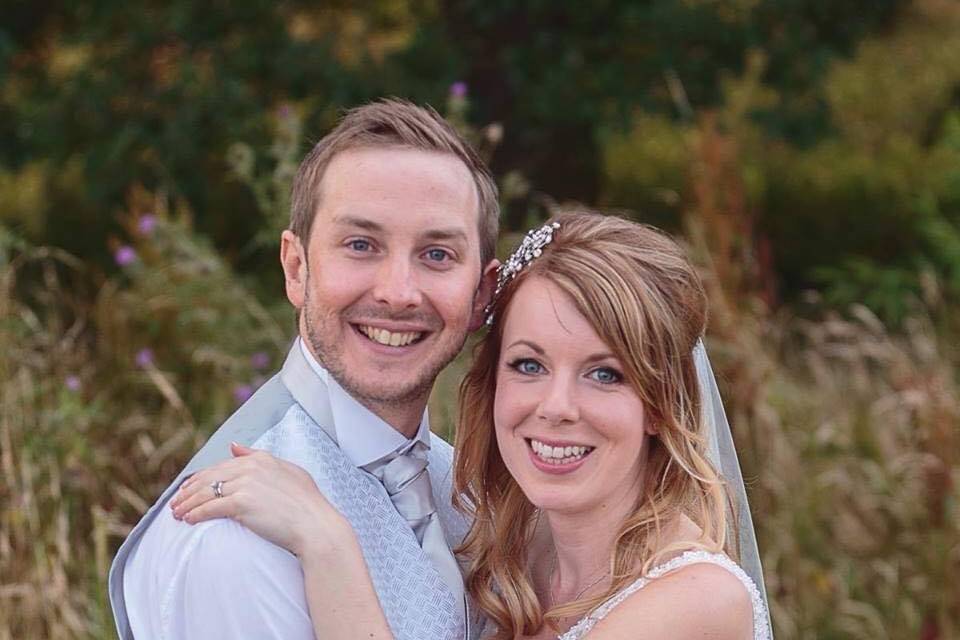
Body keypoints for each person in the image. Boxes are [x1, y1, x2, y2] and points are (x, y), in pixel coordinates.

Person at [172, 211, 773, 639]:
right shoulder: (514, 550)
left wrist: (327, 546)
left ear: (660, 405)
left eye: (605, 374)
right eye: (529, 364)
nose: (557, 406)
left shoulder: (696, 601)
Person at [107, 98, 501, 640]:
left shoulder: (466, 494)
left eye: (437, 254)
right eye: (361, 245)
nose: (398, 293)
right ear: (296, 268)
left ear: (481, 292)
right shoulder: (233, 535)